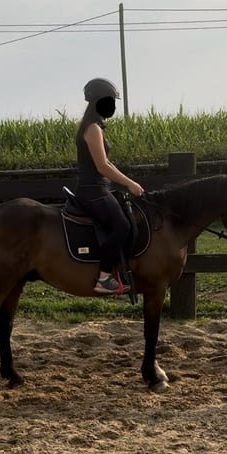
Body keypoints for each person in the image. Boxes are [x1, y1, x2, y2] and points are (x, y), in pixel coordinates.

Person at [74, 77, 145, 295]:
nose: (112, 106)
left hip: (98, 188)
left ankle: (120, 271)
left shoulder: (94, 127)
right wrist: (129, 183)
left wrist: (128, 181)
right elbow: (102, 166)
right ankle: (104, 277)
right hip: (93, 190)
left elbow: (107, 162)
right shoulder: (93, 129)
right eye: (110, 101)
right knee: (121, 226)